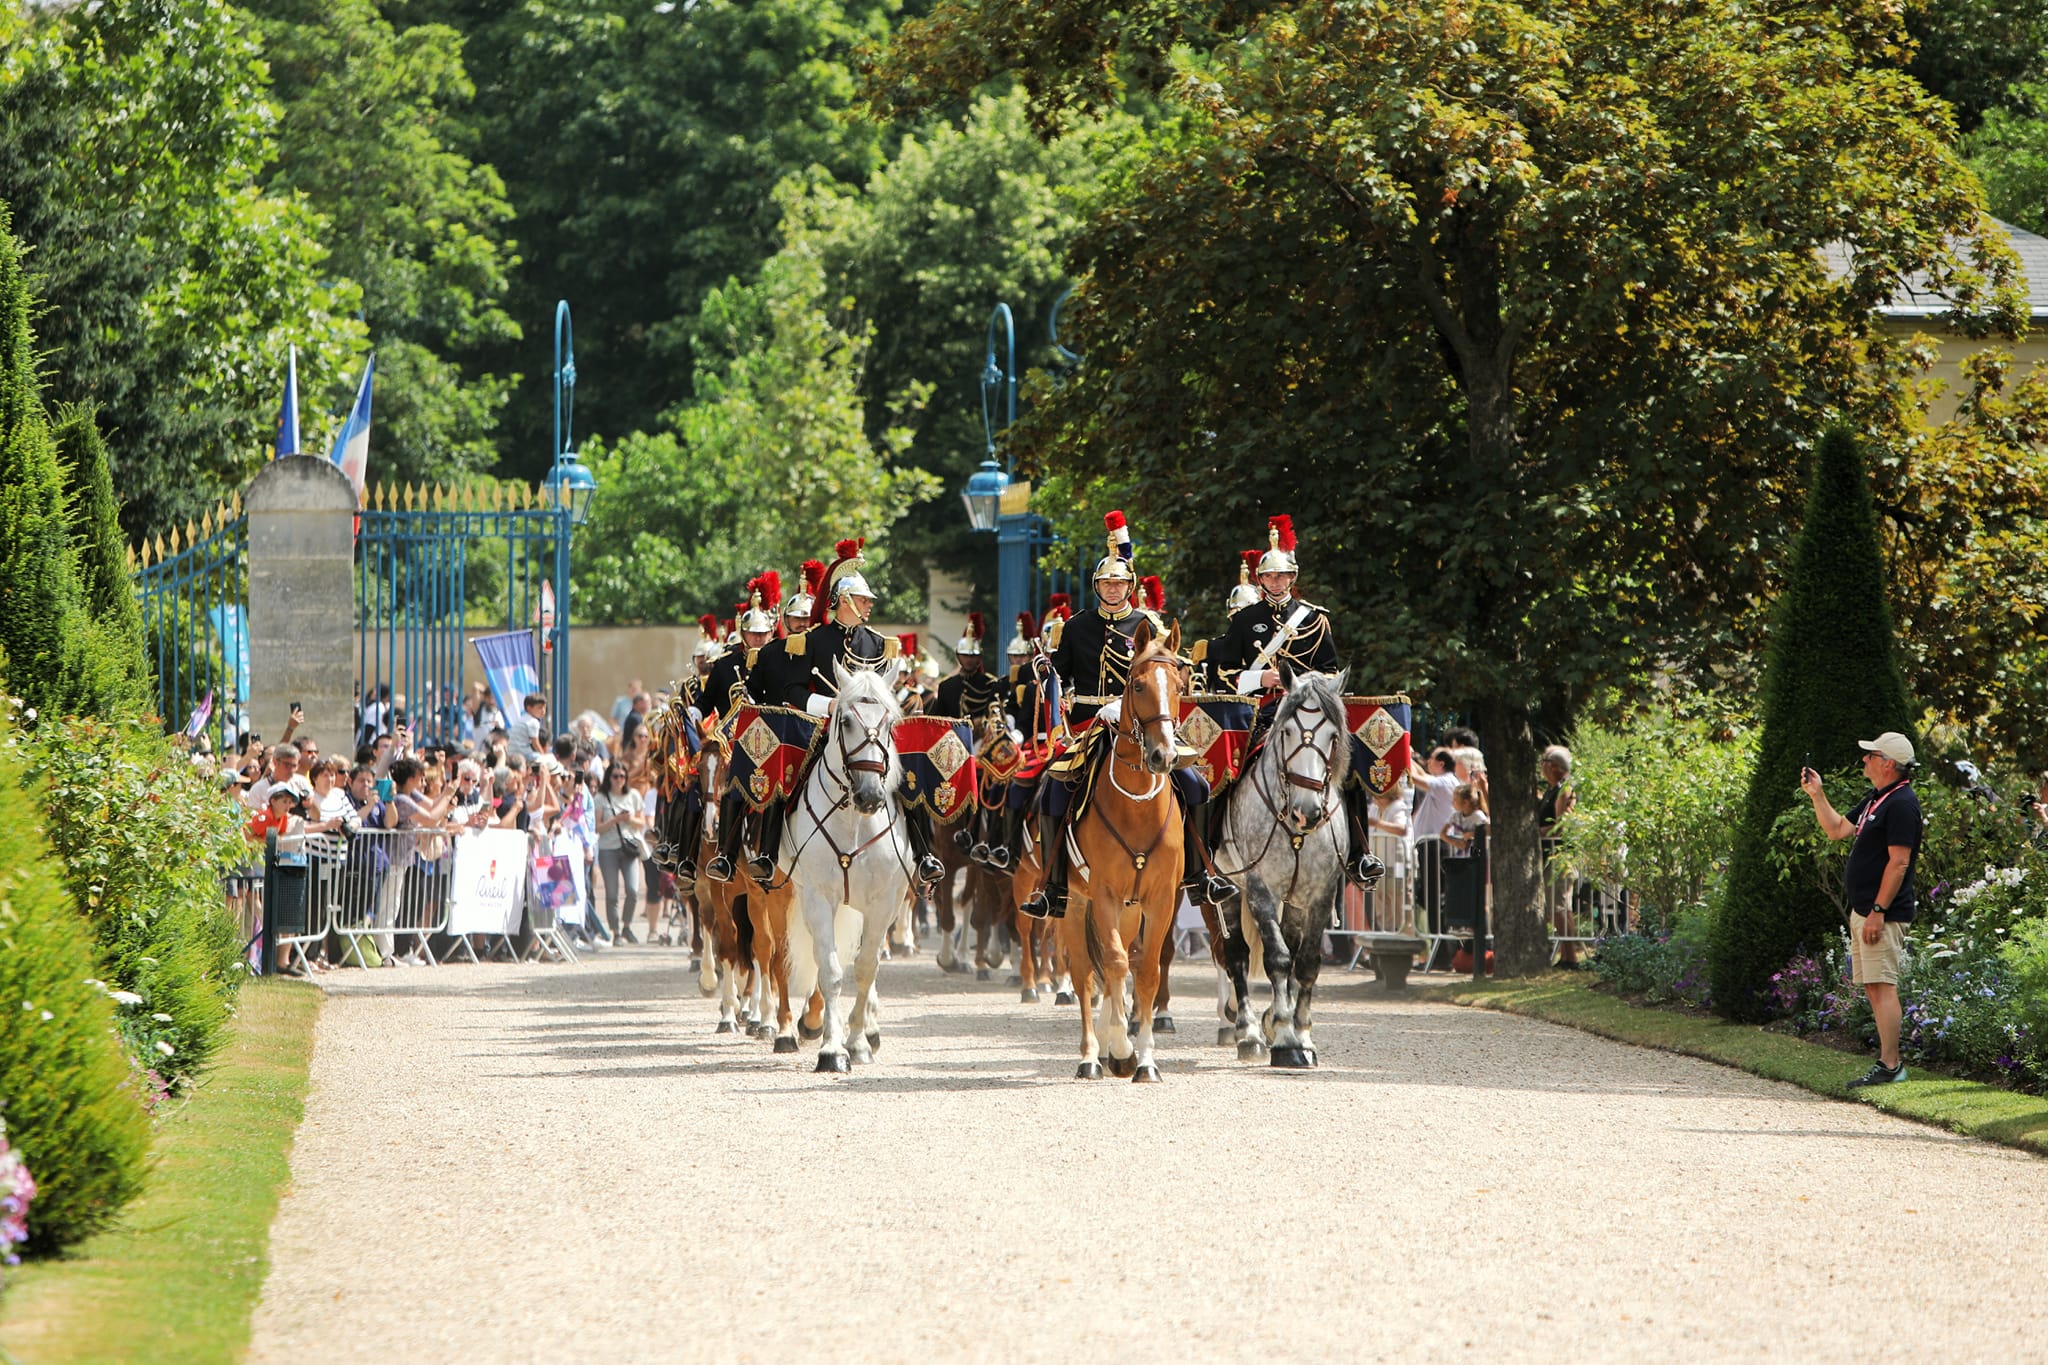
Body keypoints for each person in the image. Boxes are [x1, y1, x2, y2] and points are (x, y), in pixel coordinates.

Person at [1024, 512, 1231, 918]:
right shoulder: (1078, 626)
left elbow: (1170, 669)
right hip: (1090, 725)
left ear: (1130, 587)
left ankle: (1199, 874)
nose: (1113, 589)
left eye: (1119, 583)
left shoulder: (1148, 625)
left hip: (1144, 724)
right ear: (1097, 587)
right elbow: (1059, 673)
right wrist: (1047, 671)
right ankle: (1053, 887)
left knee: (1196, 785)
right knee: (1052, 788)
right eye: (1106, 584)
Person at [729, 539, 942, 889]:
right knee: (784, 773)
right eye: (863, 600)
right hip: (823, 728)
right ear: (845, 601)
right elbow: (792, 691)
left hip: (870, 731)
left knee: (906, 777)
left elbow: (885, 691)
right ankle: (768, 854)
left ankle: (923, 856)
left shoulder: (878, 643)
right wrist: (828, 705)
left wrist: (903, 702)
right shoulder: (812, 641)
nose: (869, 605)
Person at [1194, 514, 1382, 889]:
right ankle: (1209, 852)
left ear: (1292, 579)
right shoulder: (1246, 620)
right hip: (1263, 711)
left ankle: (1360, 854)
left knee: (1352, 766)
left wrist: (1309, 686)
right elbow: (1224, 672)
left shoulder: (1315, 620)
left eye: (1282, 576)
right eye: (1269, 577)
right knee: (1222, 767)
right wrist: (1258, 678)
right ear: (1261, 580)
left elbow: (1329, 672)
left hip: (1309, 710)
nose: (1276, 582)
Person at [1800, 731, 1924, 1088]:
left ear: (1888, 764)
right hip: (1867, 910)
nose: (1864, 759)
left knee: (1882, 986)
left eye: (1871, 755)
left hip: (1881, 912)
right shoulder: (1878, 798)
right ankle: (1888, 1063)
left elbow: (1899, 863)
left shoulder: (1901, 804)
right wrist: (1817, 795)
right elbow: (1838, 829)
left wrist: (1878, 910)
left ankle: (1890, 1066)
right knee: (1873, 986)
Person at [592, 761, 646, 942]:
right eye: (615, 776)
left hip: (629, 847)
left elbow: (642, 822)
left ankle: (627, 926)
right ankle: (615, 931)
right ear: (609, 777)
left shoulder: (633, 795)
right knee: (612, 893)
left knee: (632, 890)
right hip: (608, 849)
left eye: (622, 776)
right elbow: (598, 828)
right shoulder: (601, 797)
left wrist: (629, 819)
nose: (618, 780)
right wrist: (615, 819)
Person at [1440, 782, 1490, 857]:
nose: (1452, 802)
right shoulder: (1455, 816)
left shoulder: (1478, 816)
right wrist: (1456, 843)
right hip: (1459, 856)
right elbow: (1442, 834)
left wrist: (1472, 834)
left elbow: (1489, 831)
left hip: (1476, 856)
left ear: (1465, 802)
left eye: (1455, 800)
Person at [511, 692, 550, 765]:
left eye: (544, 707)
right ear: (529, 708)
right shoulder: (533, 722)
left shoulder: (522, 718)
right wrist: (543, 756)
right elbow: (535, 743)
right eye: (540, 707)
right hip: (522, 753)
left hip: (511, 752)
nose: (543, 711)